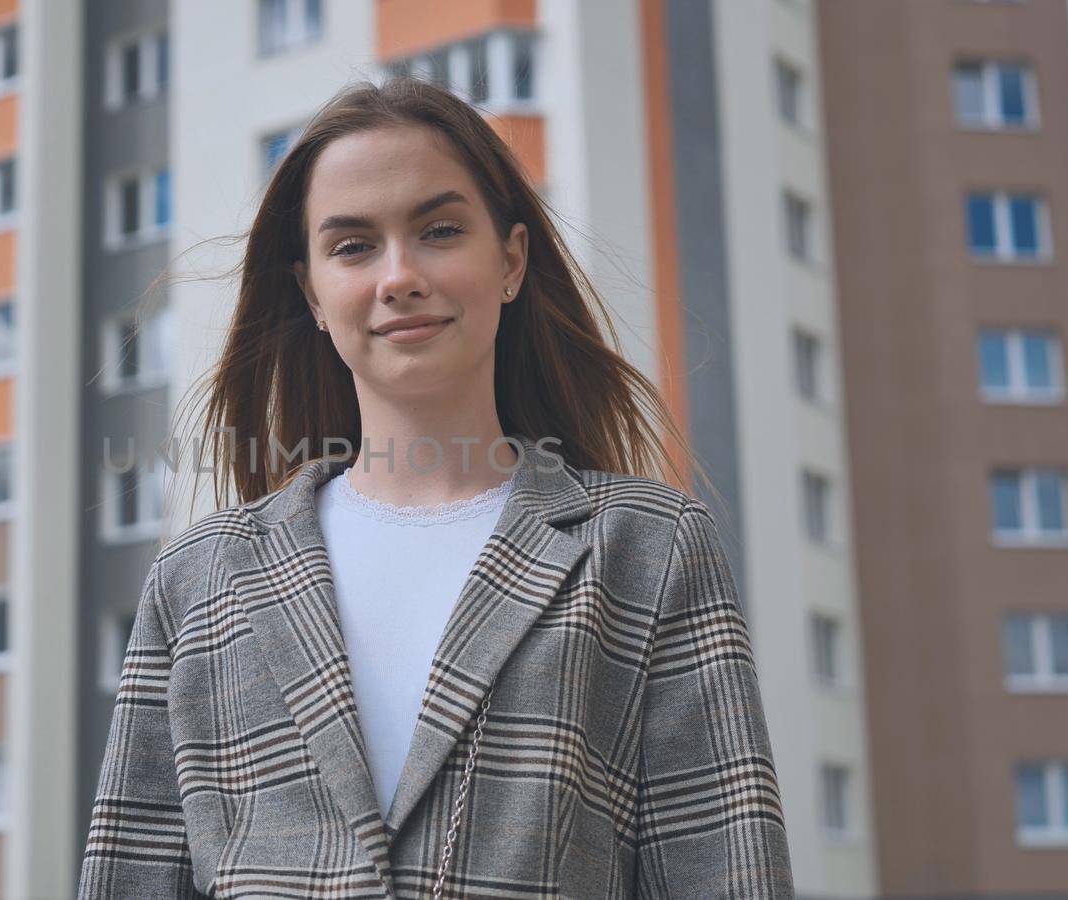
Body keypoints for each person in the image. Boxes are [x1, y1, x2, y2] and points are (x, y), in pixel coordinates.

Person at [78, 76, 794, 899]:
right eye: (352, 246)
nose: (399, 275)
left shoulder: (645, 548)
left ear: (511, 262)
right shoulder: (198, 581)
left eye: (440, 230)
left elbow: (729, 876)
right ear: (312, 293)